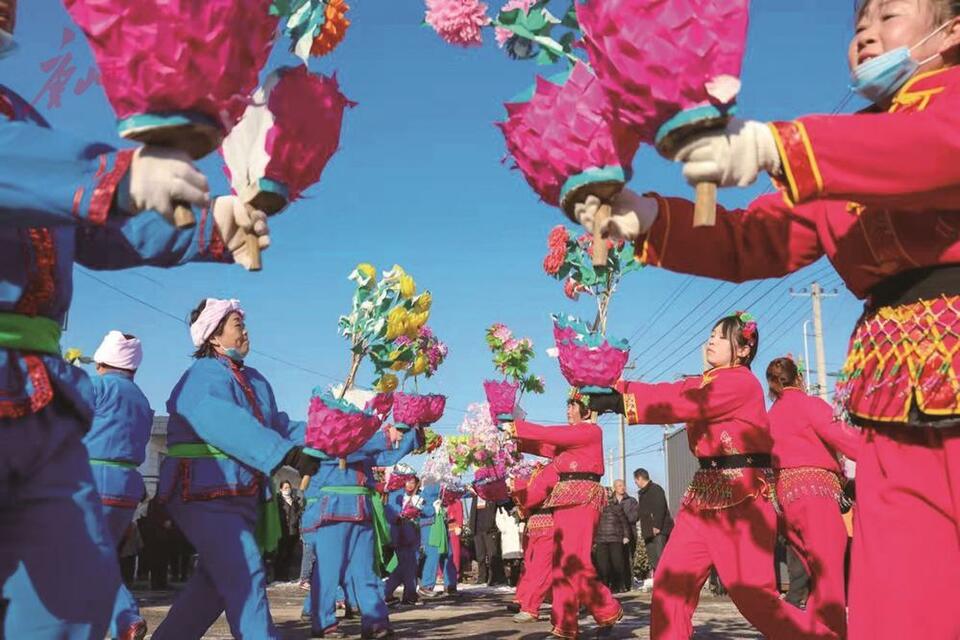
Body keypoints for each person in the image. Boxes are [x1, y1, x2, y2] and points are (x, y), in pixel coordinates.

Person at [573, 2, 960, 635]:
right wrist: (647, 218)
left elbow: (937, 145)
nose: (866, 33)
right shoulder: (843, 158)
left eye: (889, 15)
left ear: (954, 29)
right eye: (859, 23)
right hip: (898, 404)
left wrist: (778, 145)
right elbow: (753, 240)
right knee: (901, 614)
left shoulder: (900, 127)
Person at [0, 6, 269, 632]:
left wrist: (209, 225)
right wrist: (116, 176)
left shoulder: (25, 119)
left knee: (75, 604)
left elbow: (87, 226)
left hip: (40, 409)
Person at [590, 315, 837, 640]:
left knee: (754, 598)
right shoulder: (704, 380)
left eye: (721, 337)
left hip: (742, 499)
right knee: (670, 585)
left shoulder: (741, 383)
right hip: (703, 495)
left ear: (745, 348)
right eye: (711, 335)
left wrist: (623, 401)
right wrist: (616, 388)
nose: (711, 341)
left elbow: (686, 403)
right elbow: (674, 391)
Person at [151, 299, 320, 640]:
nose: (246, 331)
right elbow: (224, 423)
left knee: (213, 585)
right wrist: (285, 453)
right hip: (202, 491)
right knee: (243, 571)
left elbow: (278, 425)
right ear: (214, 337)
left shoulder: (255, 381)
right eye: (238, 325)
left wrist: (331, 431)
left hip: (239, 493)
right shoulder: (201, 377)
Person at [506, 391, 623, 639]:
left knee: (575, 563)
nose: (569, 410)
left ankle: (607, 608)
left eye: (574, 406)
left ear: (587, 410)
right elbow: (543, 445)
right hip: (566, 500)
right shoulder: (568, 445)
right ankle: (564, 625)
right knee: (561, 566)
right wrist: (510, 435)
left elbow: (548, 435)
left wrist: (516, 427)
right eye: (568, 405)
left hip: (583, 498)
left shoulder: (589, 432)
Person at [767, 356, 862, 638]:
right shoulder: (811, 405)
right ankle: (834, 634)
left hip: (785, 501)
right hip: (816, 496)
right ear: (800, 379)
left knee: (810, 575)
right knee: (830, 578)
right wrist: (884, 455)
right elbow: (843, 437)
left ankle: (812, 632)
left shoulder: (769, 416)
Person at [82, 331, 154, 639]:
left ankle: (125, 619)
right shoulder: (141, 399)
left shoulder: (96, 386)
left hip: (93, 480)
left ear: (101, 362)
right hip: (127, 486)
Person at [510, 463, 558, 624]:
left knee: (541, 568)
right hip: (534, 525)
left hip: (548, 524)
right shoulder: (535, 472)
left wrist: (517, 486)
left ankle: (530, 607)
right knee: (533, 567)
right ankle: (526, 600)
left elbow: (535, 495)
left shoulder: (552, 470)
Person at [383, 467, 422, 605]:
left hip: (413, 534)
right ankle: (409, 594)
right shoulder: (396, 494)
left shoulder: (418, 496)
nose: (410, 485)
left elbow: (427, 512)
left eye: (413, 482)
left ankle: (387, 593)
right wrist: (400, 516)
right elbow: (389, 512)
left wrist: (420, 510)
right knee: (408, 566)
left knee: (404, 567)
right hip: (401, 535)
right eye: (408, 481)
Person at [633, 468, 673, 585]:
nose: (635, 483)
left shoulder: (655, 489)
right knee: (653, 558)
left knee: (660, 556)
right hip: (648, 531)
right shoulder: (643, 493)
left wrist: (656, 525)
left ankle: (667, 581)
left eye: (635, 480)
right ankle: (660, 581)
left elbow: (660, 508)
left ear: (640, 478)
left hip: (658, 530)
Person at [593, 487, 631, 593]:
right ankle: (604, 586)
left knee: (617, 563)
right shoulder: (596, 508)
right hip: (601, 539)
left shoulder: (616, 507)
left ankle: (618, 585)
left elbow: (624, 522)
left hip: (615, 538)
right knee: (602, 565)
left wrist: (626, 536)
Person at [467, 491, 506, 587]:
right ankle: (482, 577)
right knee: (480, 555)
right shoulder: (475, 497)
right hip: (477, 529)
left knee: (492, 554)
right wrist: (471, 527)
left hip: (490, 530)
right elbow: (473, 513)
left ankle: (495, 578)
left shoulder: (492, 496)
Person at [612, 479, 640, 591]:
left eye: (623, 485)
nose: (622, 487)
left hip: (630, 533)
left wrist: (623, 520)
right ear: (615, 488)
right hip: (614, 534)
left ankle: (630, 583)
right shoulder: (610, 501)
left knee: (628, 558)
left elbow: (636, 515)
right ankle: (618, 584)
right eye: (619, 486)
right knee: (616, 559)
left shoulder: (632, 501)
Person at [275, 480, 303, 582]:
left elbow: (299, 514)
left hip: (293, 532)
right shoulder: (279, 501)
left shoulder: (294, 501)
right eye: (285, 488)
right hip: (283, 530)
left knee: (290, 554)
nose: (288, 490)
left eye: (289, 487)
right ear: (281, 489)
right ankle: (278, 576)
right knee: (281, 553)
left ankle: (286, 576)